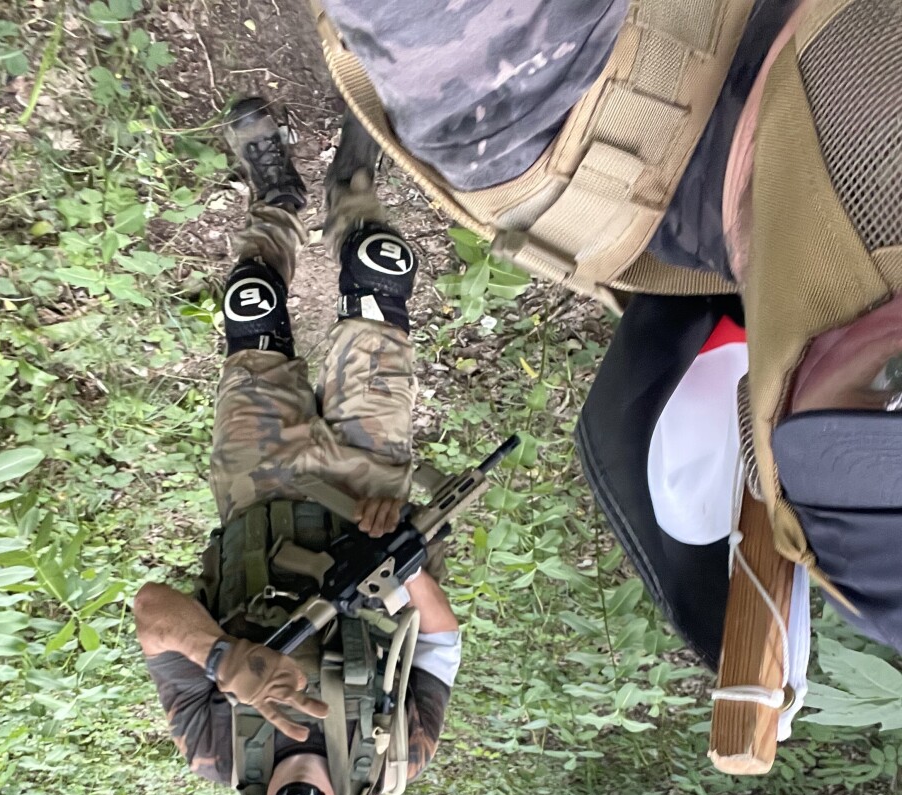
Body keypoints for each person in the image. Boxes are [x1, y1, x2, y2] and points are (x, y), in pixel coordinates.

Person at [312, 0, 902, 653]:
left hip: (609, 115)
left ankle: (321, 207)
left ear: (766, 416)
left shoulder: (532, 112)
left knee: (346, 288)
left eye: (893, 385)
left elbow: (438, 647)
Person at [133, 99, 462, 795]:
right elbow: (441, 645)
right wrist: (405, 566)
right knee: (379, 272)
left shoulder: (216, 748)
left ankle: (273, 198)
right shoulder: (394, 759)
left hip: (257, 487)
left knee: (250, 306)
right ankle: (354, 182)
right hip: (366, 486)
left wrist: (223, 661)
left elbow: (153, 612)